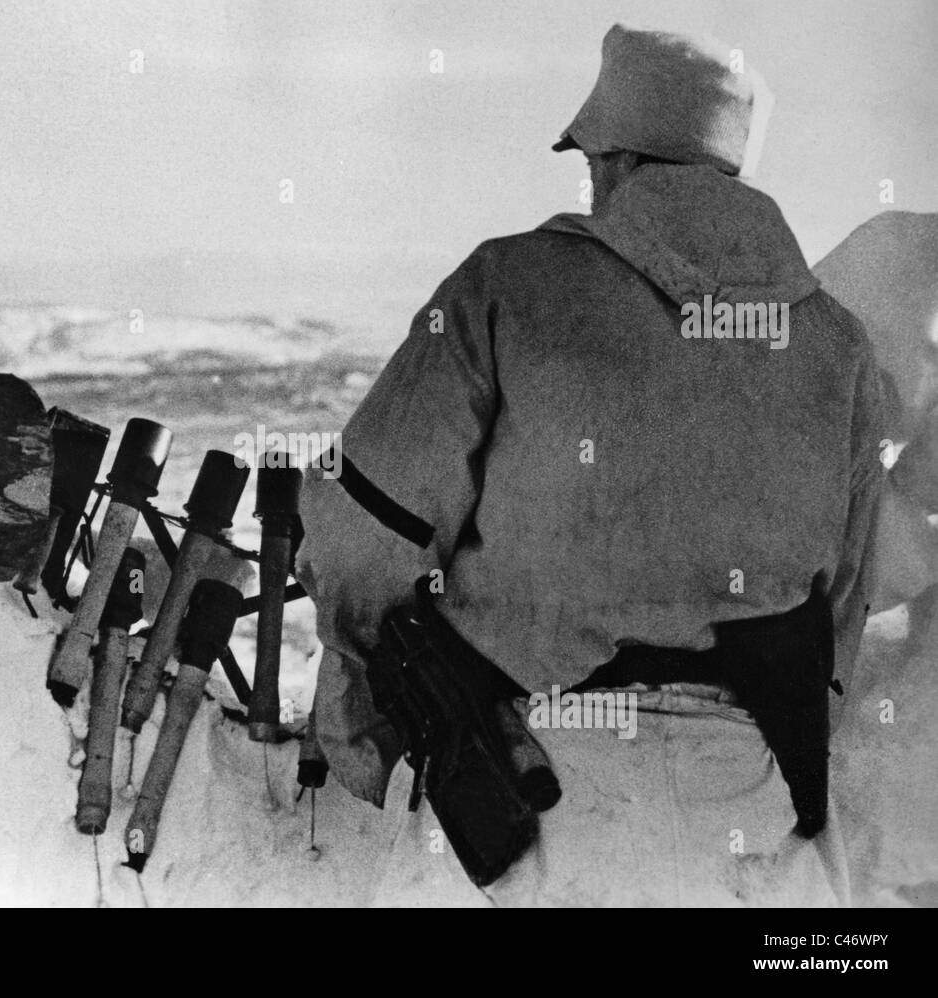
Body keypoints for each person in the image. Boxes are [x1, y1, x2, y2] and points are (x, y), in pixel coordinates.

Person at [295, 24, 921, 906]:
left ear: (619, 161)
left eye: (592, 161)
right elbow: (841, 609)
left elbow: (364, 534)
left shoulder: (506, 287)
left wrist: (377, 716)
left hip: (528, 804)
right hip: (753, 814)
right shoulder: (837, 346)